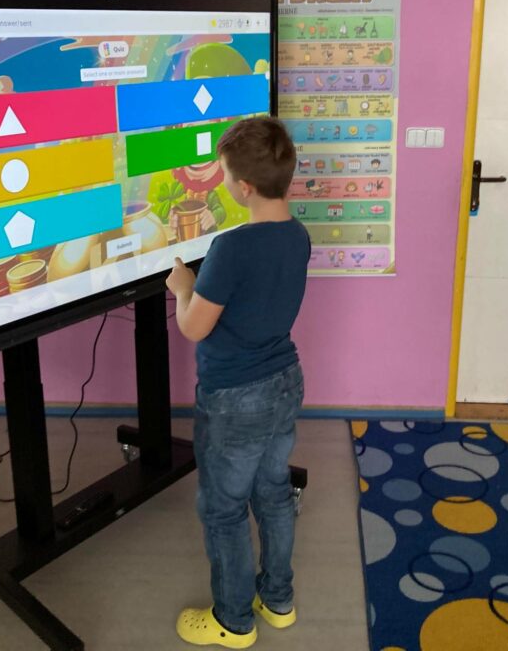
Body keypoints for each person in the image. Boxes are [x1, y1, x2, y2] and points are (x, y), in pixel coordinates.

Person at [166, 116, 311, 648]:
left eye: (225, 175)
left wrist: (183, 287)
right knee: (273, 494)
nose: (223, 181)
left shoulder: (231, 248)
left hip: (235, 398)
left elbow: (193, 327)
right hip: (285, 381)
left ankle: (233, 621)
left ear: (244, 187)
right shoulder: (298, 235)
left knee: (224, 510)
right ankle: (278, 602)